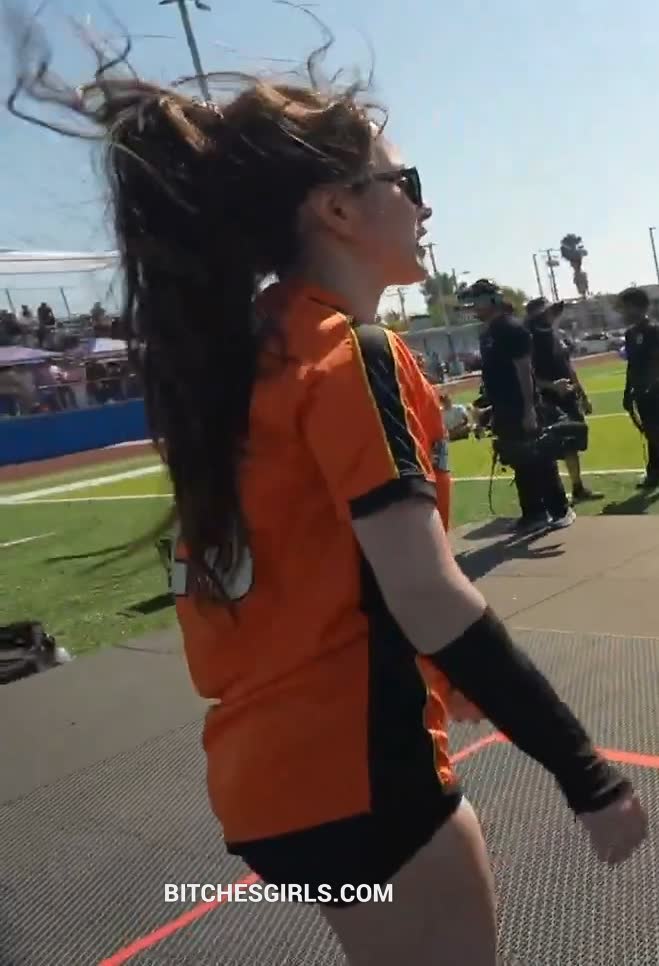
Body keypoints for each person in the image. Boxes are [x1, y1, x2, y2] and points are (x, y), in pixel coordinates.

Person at [10, 21, 647, 965]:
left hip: (266, 782)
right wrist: (585, 772)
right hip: (361, 772)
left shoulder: (248, 348)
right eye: (404, 182)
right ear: (338, 209)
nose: (423, 206)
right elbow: (426, 592)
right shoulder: (352, 352)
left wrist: (438, 676)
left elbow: (311, 561)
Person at [461, 279, 575, 532]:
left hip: (521, 404)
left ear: (492, 300)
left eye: (477, 301)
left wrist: (529, 409)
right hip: (503, 407)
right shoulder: (488, 334)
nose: (474, 307)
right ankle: (533, 513)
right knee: (518, 459)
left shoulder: (512, 329)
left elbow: (524, 371)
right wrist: (489, 408)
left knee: (539, 456)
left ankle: (560, 509)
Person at [524, 297, 602, 503]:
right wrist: (551, 386)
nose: (554, 314)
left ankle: (577, 488)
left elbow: (568, 367)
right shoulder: (529, 340)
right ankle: (552, 494)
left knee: (571, 442)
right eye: (549, 311)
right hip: (546, 399)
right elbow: (527, 375)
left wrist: (582, 394)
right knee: (547, 446)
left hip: (567, 396)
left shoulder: (554, 335)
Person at [619, 287, 659, 488]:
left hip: (655, 389)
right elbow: (632, 365)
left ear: (638, 307)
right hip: (641, 391)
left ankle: (654, 472)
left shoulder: (654, 330)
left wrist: (651, 383)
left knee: (655, 432)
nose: (623, 312)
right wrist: (628, 392)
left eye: (626, 307)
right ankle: (654, 471)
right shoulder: (630, 334)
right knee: (650, 432)